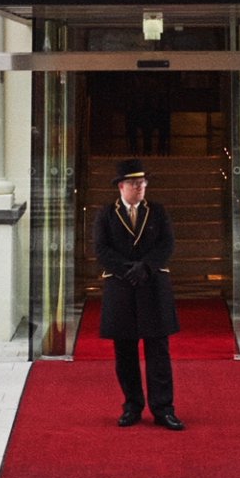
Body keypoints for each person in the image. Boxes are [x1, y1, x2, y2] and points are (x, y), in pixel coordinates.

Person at [94, 162, 182, 429]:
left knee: (158, 353)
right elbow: (101, 249)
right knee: (125, 354)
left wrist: (145, 267)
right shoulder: (106, 214)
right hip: (121, 290)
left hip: (153, 287)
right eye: (134, 183)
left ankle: (163, 409)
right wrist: (127, 270)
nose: (140, 187)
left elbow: (167, 243)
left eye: (143, 182)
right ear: (121, 186)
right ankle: (132, 406)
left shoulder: (157, 211)